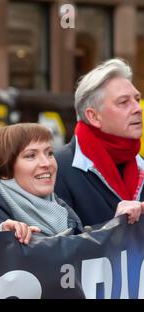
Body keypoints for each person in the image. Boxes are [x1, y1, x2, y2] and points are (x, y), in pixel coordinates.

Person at [0, 123, 143, 244]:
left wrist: (115, 224)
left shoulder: (62, 211)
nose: (46, 163)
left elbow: (77, 248)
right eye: (30, 156)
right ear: (5, 169)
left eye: (49, 153)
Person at [55, 58, 144, 226]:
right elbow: (58, 244)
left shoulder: (141, 165)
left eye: (137, 99)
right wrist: (113, 226)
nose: (138, 109)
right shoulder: (56, 169)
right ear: (94, 116)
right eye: (124, 102)